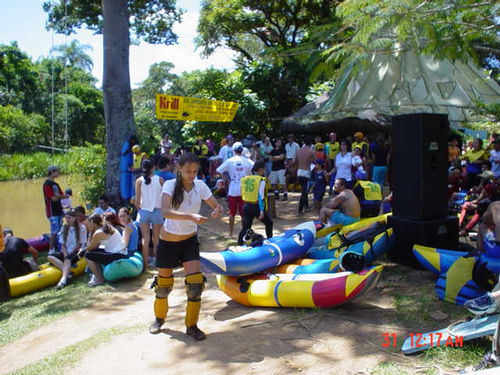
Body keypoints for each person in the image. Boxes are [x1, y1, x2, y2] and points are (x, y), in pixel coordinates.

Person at [149, 152, 222, 340]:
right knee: (163, 286)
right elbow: (165, 212)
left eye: (195, 171)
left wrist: (217, 209)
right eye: (188, 171)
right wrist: (191, 216)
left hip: (189, 241)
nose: (192, 175)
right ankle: (159, 319)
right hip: (168, 243)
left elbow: (215, 204)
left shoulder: (200, 185)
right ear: (178, 169)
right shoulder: (170, 185)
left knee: (196, 284)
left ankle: (192, 326)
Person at [216, 142, 254, 237]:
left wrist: (226, 179)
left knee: (232, 213)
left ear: (233, 151)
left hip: (233, 188)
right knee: (243, 213)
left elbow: (218, 170)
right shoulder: (247, 161)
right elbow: (255, 168)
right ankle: (244, 233)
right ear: (242, 150)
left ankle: (231, 233)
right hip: (244, 189)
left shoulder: (230, 160)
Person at [135, 159, 165, 268]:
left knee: (145, 239)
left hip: (144, 211)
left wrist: (139, 209)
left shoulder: (139, 181)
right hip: (157, 211)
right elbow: (164, 197)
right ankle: (158, 262)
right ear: (153, 167)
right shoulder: (160, 180)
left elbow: (137, 201)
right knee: (156, 239)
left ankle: (145, 264)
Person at [84, 213, 128, 287]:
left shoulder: (98, 233)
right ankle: (98, 275)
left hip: (117, 255)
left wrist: (90, 233)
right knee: (92, 253)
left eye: (89, 223)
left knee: (87, 255)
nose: (88, 225)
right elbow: (95, 247)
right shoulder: (107, 227)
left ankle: (99, 279)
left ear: (93, 223)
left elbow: (89, 247)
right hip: (121, 253)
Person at [48, 210, 87, 289]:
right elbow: (62, 244)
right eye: (66, 218)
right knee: (50, 257)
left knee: (68, 259)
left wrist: (69, 255)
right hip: (66, 252)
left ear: (74, 218)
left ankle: (63, 280)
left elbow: (80, 244)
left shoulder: (81, 228)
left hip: (76, 251)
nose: (67, 220)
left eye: (69, 218)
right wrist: (65, 254)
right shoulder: (64, 227)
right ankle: (68, 272)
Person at [237, 161, 273, 245]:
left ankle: (239, 244)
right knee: (269, 223)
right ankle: (270, 241)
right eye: (264, 169)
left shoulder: (245, 179)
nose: (264, 171)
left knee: (245, 228)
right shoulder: (261, 180)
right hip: (256, 206)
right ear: (261, 169)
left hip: (246, 205)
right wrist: (261, 210)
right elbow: (260, 196)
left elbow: (241, 191)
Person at [43, 165, 68, 254]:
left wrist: (59, 196)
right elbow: (53, 198)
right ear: (52, 172)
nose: (58, 173)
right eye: (57, 171)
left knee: (61, 230)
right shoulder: (46, 185)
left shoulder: (56, 184)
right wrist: (59, 196)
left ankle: (61, 249)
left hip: (59, 211)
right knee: (54, 231)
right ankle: (51, 250)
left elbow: (62, 195)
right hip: (52, 212)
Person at [294, 136, 315, 216]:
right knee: (304, 191)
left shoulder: (299, 150)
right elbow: (315, 161)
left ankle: (306, 207)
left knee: (304, 190)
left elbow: (294, 161)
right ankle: (300, 209)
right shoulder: (311, 151)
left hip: (299, 171)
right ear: (310, 143)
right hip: (306, 171)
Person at [120, 135, 139, 202]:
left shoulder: (128, 147)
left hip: (130, 172)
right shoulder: (127, 146)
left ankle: (130, 200)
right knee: (127, 187)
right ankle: (128, 201)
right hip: (127, 171)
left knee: (130, 187)